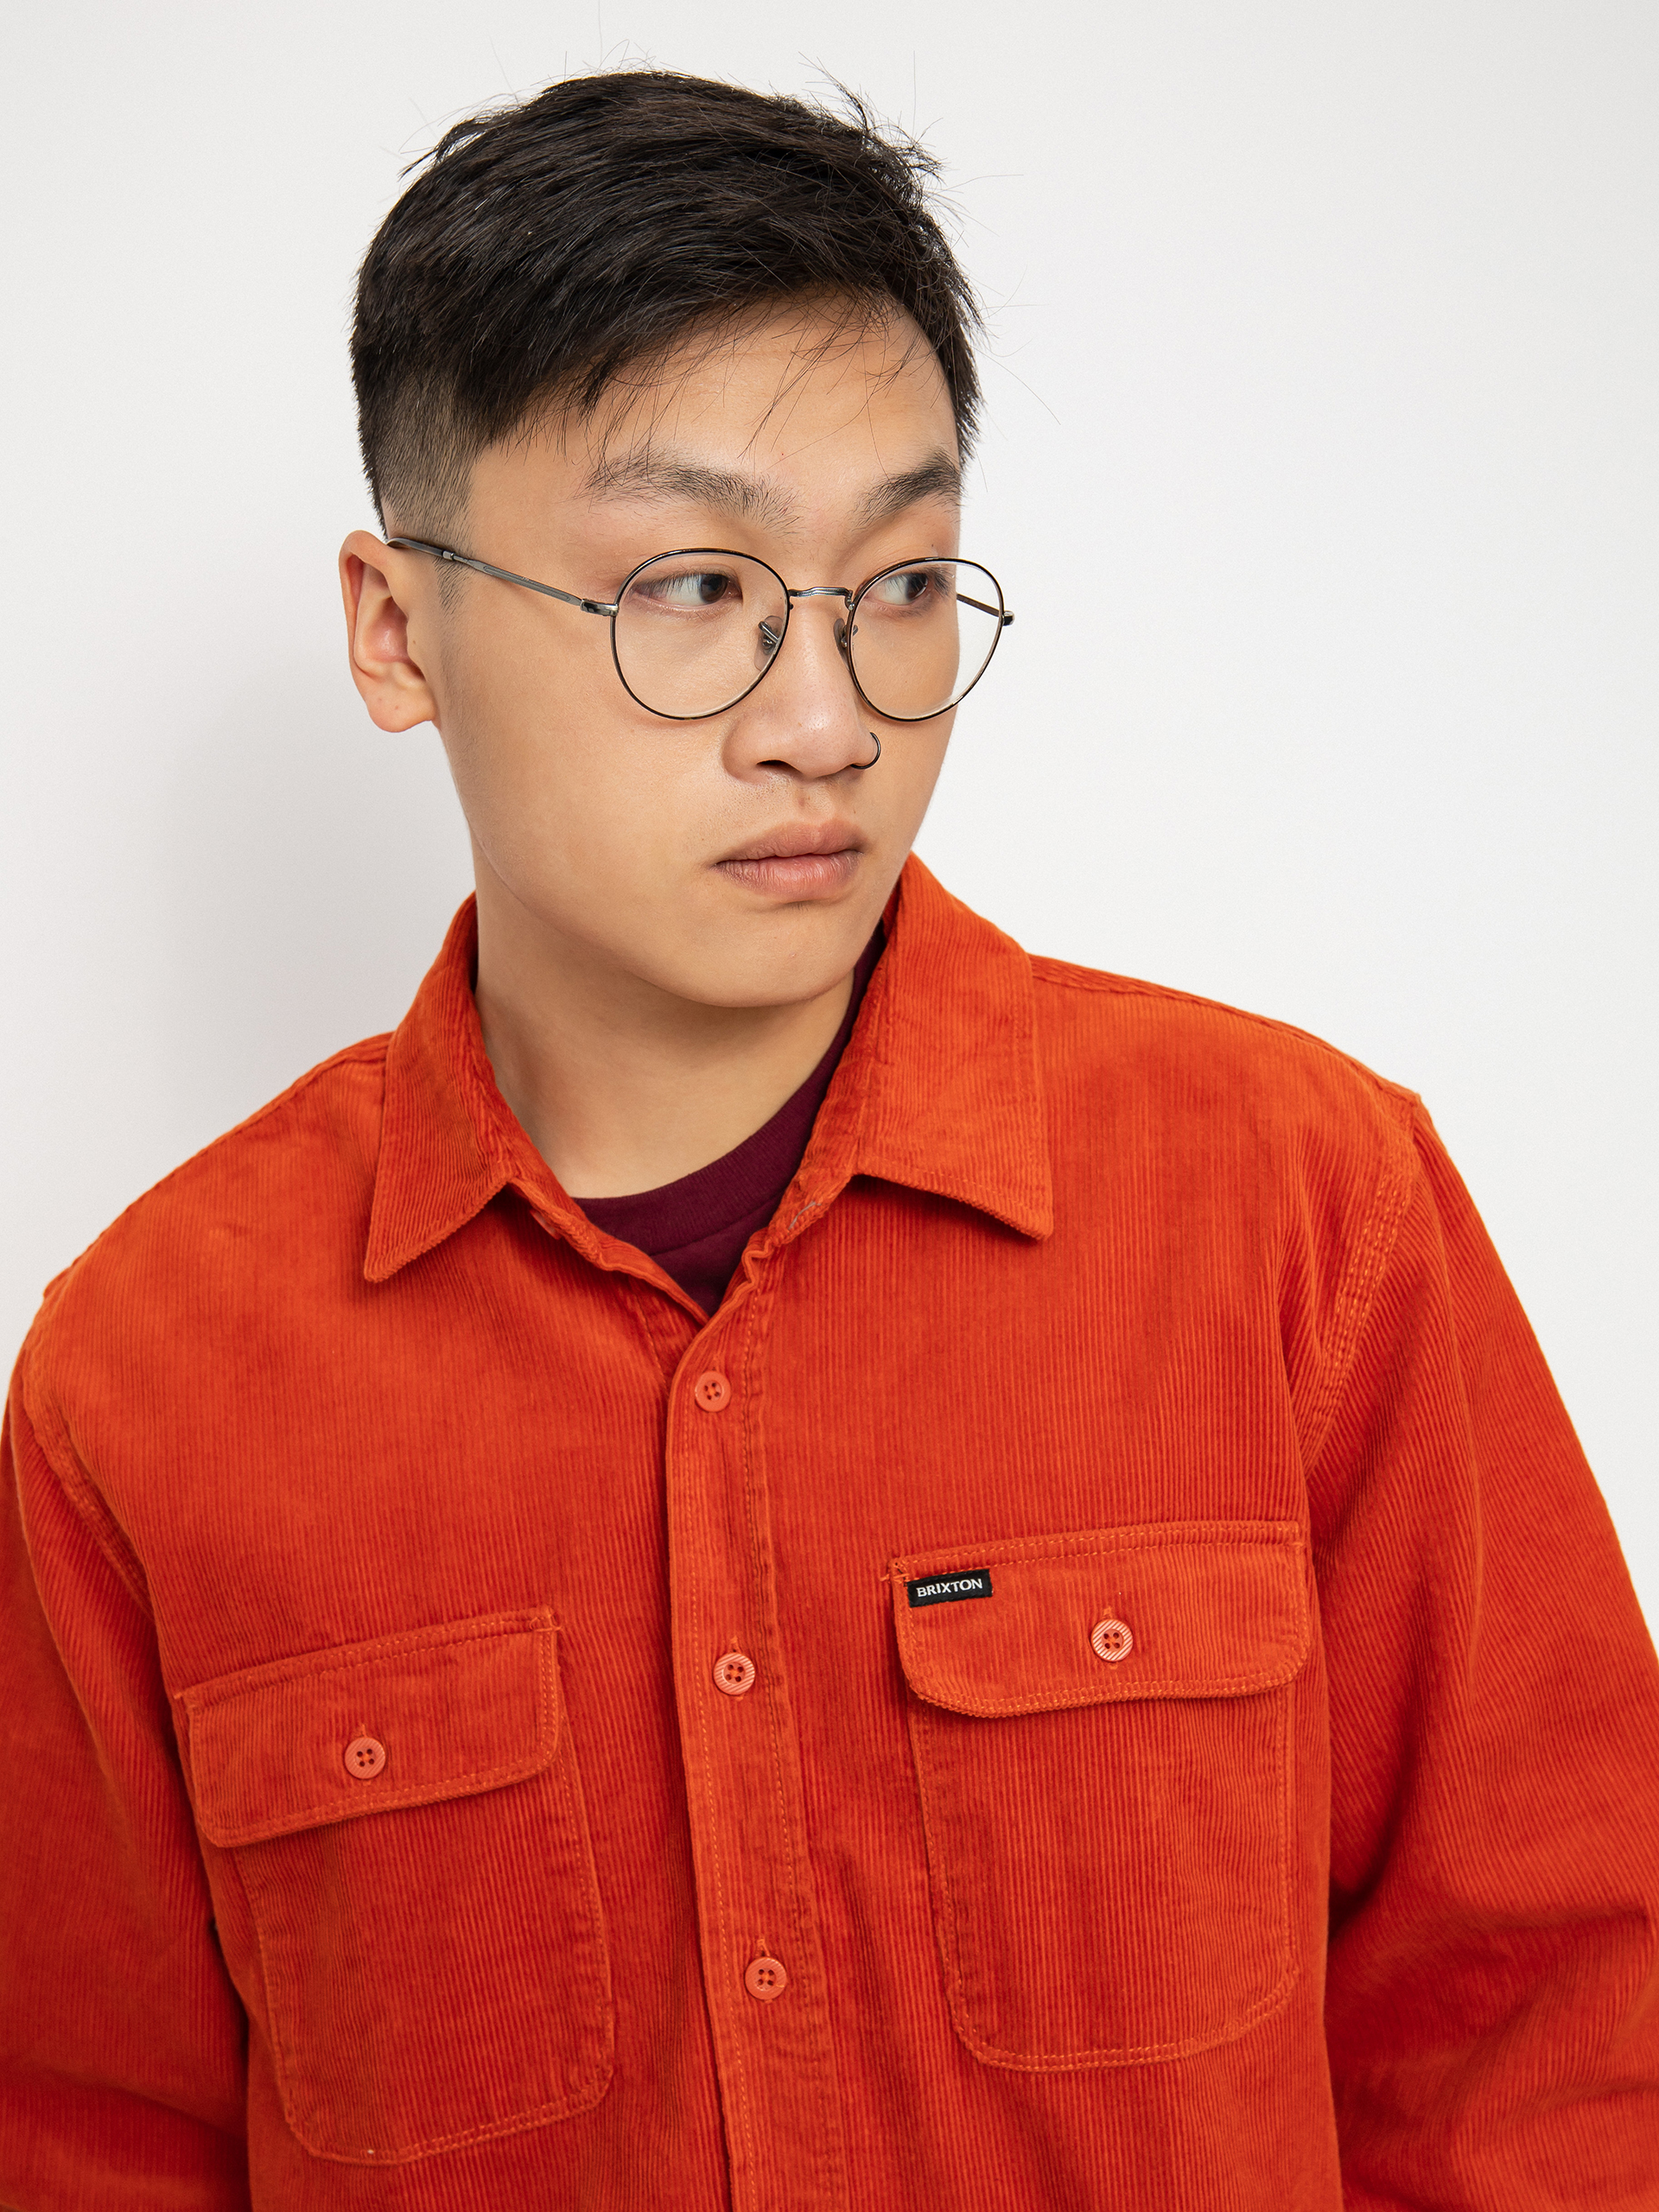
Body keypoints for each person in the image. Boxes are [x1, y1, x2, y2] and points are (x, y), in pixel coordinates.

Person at [1, 67, 1655, 2212]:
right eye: (694, 587)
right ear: (399, 629)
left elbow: (1557, 2045)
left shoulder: (1299, 1207)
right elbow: (85, 2140)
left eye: (902, 581)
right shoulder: (144, 1377)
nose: (830, 716)